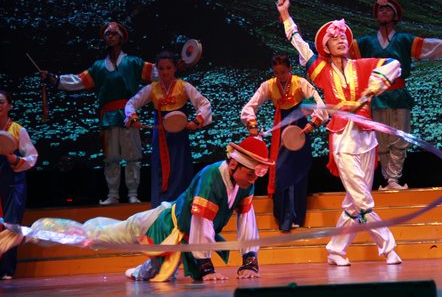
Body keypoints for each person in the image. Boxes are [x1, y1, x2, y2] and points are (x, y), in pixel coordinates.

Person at [0, 136, 273, 282]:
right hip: (159, 223)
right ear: (234, 164)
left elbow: (247, 222)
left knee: (155, 273)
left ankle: (138, 271)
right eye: (251, 172)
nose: (254, 179)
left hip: (179, 239)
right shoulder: (211, 177)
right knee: (95, 235)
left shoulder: (244, 183)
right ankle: (28, 232)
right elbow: (201, 224)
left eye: (258, 174)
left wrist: (249, 262)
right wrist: (206, 268)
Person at [276, 0, 402, 266]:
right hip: (343, 140)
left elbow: (395, 65)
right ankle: (388, 248)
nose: (341, 39)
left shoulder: (363, 66)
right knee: (363, 200)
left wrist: (375, 86)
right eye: (334, 37)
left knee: (354, 203)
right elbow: (299, 42)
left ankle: (335, 249)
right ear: (326, 46)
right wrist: (285, 15)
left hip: (366, 139)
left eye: (344, 35)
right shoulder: (320, 70)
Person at [350, 0, 442, 190]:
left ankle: (393, 179)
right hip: (377, 97)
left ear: (395, 15)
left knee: (400, 138)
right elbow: (343, 50)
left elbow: (428, 46)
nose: (384, 12)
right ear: (376, 15)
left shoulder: (404, 39)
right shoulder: (366, 43)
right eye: (380, 9)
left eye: (388, 9)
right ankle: (386, 178)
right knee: (380, 140)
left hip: (399, 95)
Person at [41, 22, 155, 205]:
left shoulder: (134, 62)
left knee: (132, 155)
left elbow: (157, 71)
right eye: (107, 34)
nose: (110, 36)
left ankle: (133, 193)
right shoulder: (98, 66)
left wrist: (175, 66)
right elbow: (78, 80)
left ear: (121, 38)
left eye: (114, 34)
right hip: (108, 116)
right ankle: (113, 194)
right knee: (111, 157)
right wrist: (55, 79)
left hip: (128, 114)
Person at [241, 54, 327, 231]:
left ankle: (296, 216)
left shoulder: (300, 83)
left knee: (298, 172)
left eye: (283, 72)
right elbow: (250, 106)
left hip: (299, 130)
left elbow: (320, 105)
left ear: (289, 69)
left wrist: (312, 124)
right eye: (276, 72)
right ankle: (284, 218)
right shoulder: (268, 85)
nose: (280, 76)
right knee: (281, 171)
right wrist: (252, 124)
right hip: (280, 130)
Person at [125, 50, 212, 208]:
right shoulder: (152, 88)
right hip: (160, 136)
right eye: (161, 68)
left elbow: (204, 104)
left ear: (175, 68)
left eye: (168, 68)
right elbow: (131, 103)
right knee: (160, 169)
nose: (165, 72)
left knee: (180, 168)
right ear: (157, 69)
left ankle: (181, 207)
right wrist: (133, 118)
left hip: (179, 136)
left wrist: (196, 121)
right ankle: (160, 208)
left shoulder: (183, 86)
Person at [0, 90, 38, 280]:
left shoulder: (17, 129)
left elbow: (32, 157)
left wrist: (16, 160)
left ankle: (7, 269)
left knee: (11, 224)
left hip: (13, 182)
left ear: (9, 106)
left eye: (1, 102)